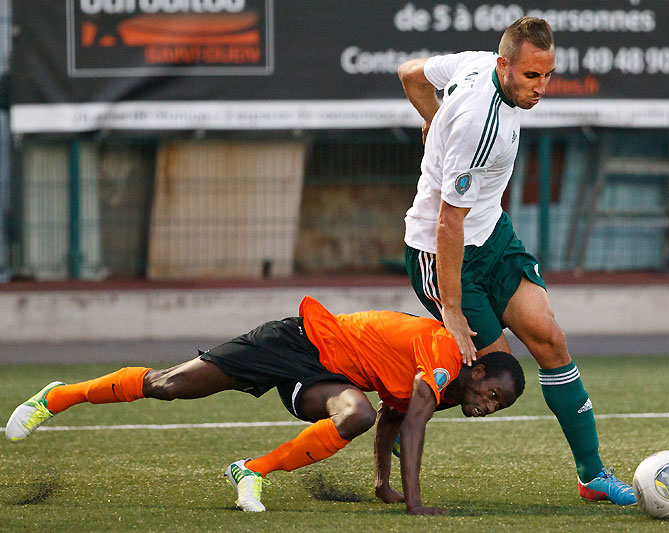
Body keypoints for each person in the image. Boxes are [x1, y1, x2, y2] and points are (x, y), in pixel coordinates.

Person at [397, 17, 635, 505]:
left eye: (548, 75)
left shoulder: (477, 63)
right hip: (445, 253)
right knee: (492, 373)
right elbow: (447, 224)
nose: (542, 87)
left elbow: (409, 74)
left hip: (492, 236)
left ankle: (591, 476)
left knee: (550, 340)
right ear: (505, 65)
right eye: (531, 77)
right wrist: (453, 310)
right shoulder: (476, 127)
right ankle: (404, 413)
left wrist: (429, 120)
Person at [5, 296, 525, 515]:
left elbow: (391, 417)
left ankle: (250, 471)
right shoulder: (443, 356)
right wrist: (415, 505)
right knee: (170, 385)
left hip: (327, 378)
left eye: (497, 407)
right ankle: (57, 396)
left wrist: (381, 485)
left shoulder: (450, 389)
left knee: (359, 414)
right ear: (477, 370)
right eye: (491, 394)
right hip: (297, 340)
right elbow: (413, 426)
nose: (487, 406)